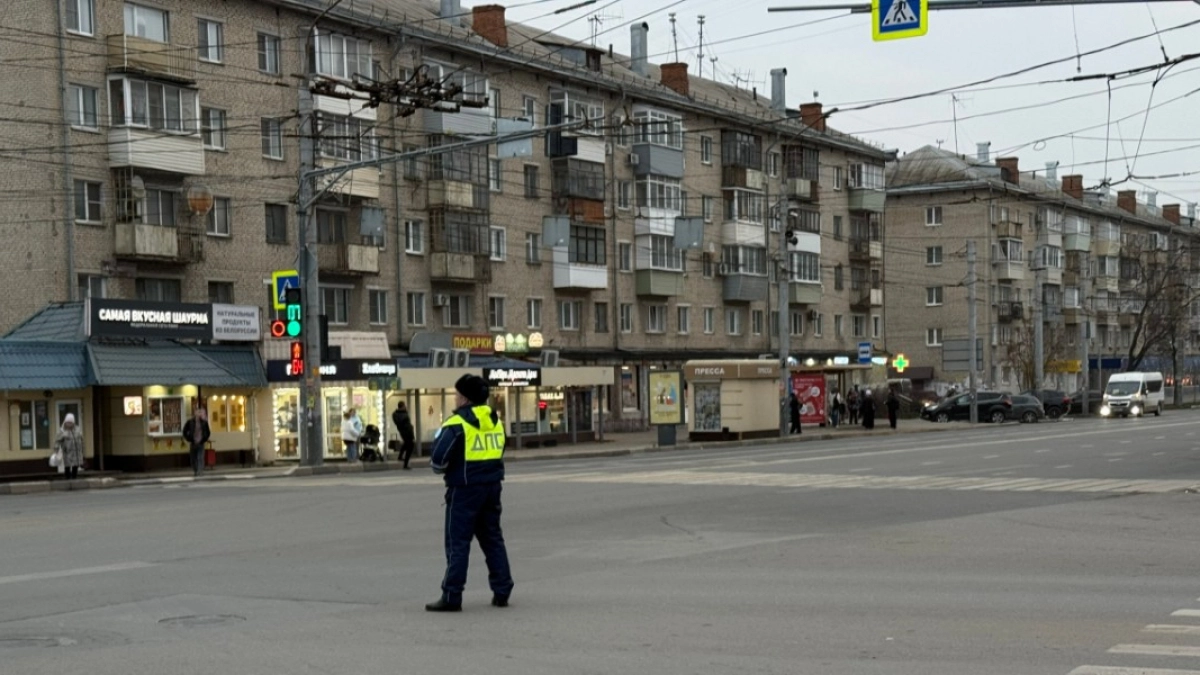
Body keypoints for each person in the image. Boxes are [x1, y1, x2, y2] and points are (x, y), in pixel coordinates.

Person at [425, 374, 514, 612]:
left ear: (464, 398)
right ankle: (502, 590)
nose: (455, 398)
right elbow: (500, 450)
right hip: (492, 487)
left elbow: (438, 461)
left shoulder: (456, 424)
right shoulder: (495, 421)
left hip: (464, 489)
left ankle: (452, 595)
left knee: (458, 543)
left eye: (457, 394)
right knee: (493, 539)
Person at [181, 408, 211, 477]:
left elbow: (208, 432)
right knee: (193, 458)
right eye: (197, 412)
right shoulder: (190, 422)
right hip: (193, 442)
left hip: (201, 442)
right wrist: (189, 438)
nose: (199, 414)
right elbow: (185, 431)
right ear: (194, 413)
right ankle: (195, 470)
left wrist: (204, 439)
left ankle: (200, 471)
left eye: (200, 412)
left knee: (200, 458)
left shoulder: (204, 422)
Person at [55, 414, 85, 480]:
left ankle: (74, 477)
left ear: (73, 423)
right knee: (67, 465)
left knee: (75, 464)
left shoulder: (77, 430)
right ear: (65, 422)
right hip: (67, 451)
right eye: (68, 422)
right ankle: (67, 477)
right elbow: (57, 441)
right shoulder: (62, 431)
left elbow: (81, 439)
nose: (69, 424)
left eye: (71, 423)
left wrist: (82, 447)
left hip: (77, 451)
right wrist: (56, 448)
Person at [392, 401, 415, 470]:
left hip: (404, 431)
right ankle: (405, 464)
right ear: (402, 407)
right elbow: (405, 424)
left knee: (406, 444)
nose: (405, 407)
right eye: (404, 406)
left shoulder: (396, 414)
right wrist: (411, 432)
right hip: (407, 432)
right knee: (410, 446)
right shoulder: (403, 415)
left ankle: (400, 457)